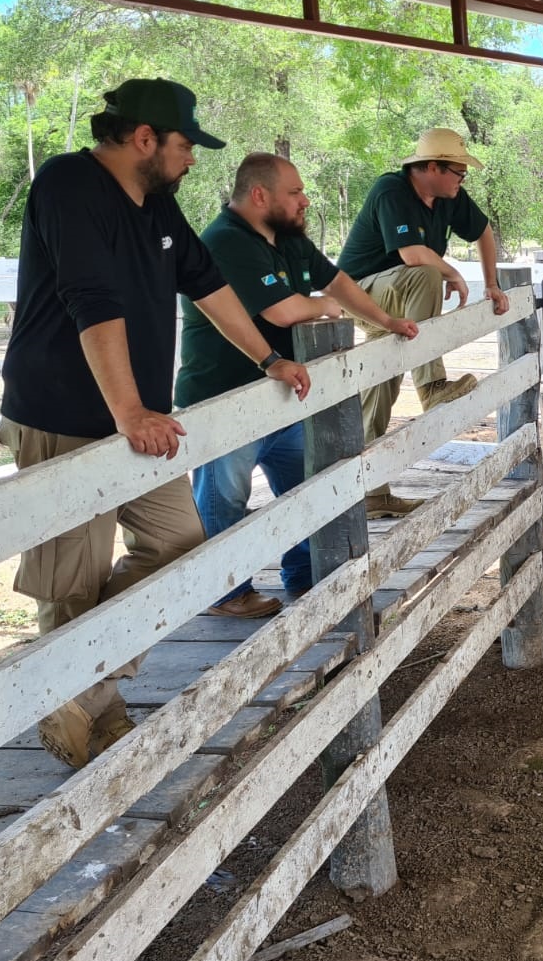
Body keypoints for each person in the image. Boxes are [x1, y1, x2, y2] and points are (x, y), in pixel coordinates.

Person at [0, 78, 311, 770]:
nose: (192, 159)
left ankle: (74, 691)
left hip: (136, 420)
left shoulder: (158, 207)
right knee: (71, 580)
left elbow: (206, 282)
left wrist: (266, 358)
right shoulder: (68, 184)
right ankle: (91, 725)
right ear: (144, 139)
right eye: (184, 145)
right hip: (61, 414)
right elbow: (90, 298)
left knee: (179, 546)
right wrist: (130, 410)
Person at [176, 153, 420, 618]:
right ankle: (226, 593)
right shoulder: (227, 240)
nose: (305, 200)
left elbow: (339, 282)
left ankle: (308, 576)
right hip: (225, 397)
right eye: (295, 193)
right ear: (259, 195)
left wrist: (385, 320)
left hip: (284, 393)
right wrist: (326, 307)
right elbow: (282, 311)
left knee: (304, 488)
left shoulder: (288, 238)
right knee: (224, 496)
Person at [337, 127, 509, 517]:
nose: (462, 179)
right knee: (427, 273)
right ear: (432, 167)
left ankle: (371, 493)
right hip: (359, 293)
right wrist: (453, 273)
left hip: (397, 306)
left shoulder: (449, 197)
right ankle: (432, 385)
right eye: (458, 172)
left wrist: (492, 284)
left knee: (381, 386)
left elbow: (482, 231)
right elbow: (413, 255)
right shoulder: (391, 191)